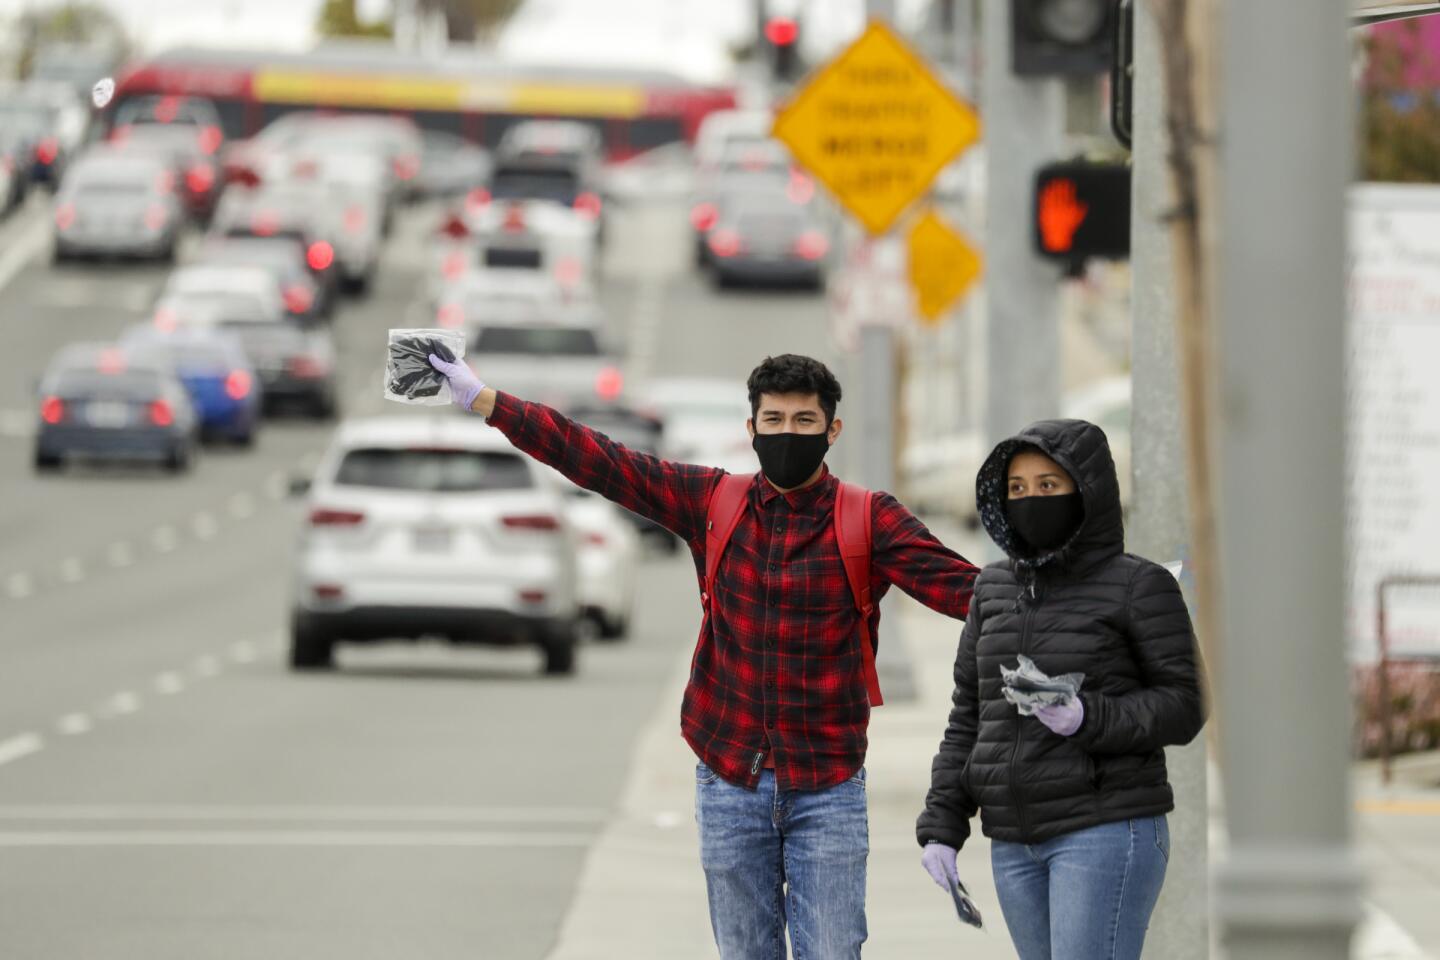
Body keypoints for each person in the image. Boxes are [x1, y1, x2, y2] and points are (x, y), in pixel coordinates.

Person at [430, 351, 978, 960]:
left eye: (804, 421)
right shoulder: (713, 501)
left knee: (833, 951)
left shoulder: (869, 519)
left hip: (828, 786)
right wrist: (486, 401)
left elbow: (967, 592)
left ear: (832, 430)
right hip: (729, 780)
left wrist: (1077, 613)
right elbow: (600, 461)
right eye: (773, 420)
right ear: (751, 429)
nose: (787, 434)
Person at [915, 418, 1206, 960]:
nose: (1031, 500)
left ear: (1086, 491)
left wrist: (1087, 717)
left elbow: (1186, 702)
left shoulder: (1139, 585)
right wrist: (942, 824)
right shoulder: (993, 588)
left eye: (1049, 486)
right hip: (1014, 841)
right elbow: (969, 717)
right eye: (1018, 489)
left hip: (1103, 828)